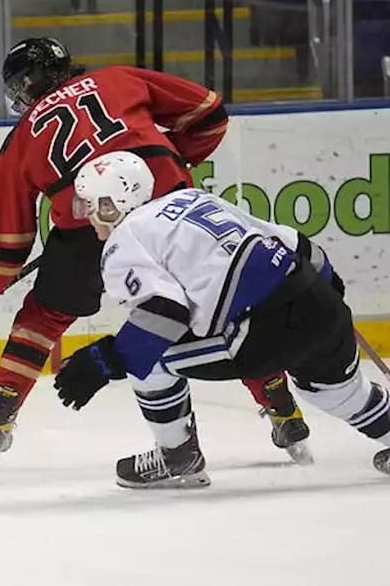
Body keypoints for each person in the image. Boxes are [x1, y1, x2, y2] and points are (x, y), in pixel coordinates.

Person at [0, 37, 310, 470]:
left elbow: (6, 247)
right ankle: (283, 410)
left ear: (25, 85)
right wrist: (166, 165)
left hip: (86, 229)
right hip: (169, 205)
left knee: (41, 319)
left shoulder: (20, 138)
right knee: (220, 306)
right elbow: (209, 114)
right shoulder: (116, 78)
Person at [51, 150, 390, 487]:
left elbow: (165, 314)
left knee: (150, 361)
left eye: (94, 204)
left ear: (115, 205)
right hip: (319, 299)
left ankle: (178, 455)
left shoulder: (122, 243)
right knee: (340, 394)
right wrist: (327, 288)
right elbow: (291, 240)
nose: (89, 216)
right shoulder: (192, 198)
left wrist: (104, 360)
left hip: (264, 330)